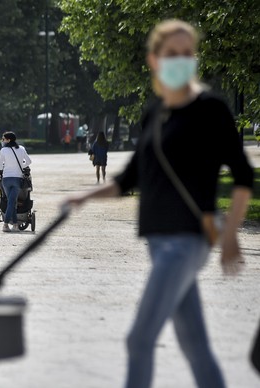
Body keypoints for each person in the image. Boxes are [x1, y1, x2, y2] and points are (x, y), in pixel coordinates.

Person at [62, 20, 253, 388]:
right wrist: (84, 196)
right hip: (157, 242)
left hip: (186, 242)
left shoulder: (211, 108)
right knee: (194, 345)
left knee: (139, 339)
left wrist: (230, 236)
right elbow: (131, 177)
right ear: (154, 60)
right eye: (172, 54)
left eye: (187, 53)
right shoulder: (154, 113)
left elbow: (243, 176)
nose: (181, 60)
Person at [0, 131, 32, 232]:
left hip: (6, 179)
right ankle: (12, 224)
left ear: (8, 140)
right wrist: (21, 166)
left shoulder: (3, 150)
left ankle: (8, 224)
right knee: (12, 202)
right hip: (17, 179)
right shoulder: (21, 149)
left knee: (11, 202)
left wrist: (5, 167)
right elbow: (29, 161)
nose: (2, 141)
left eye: (3, 139)